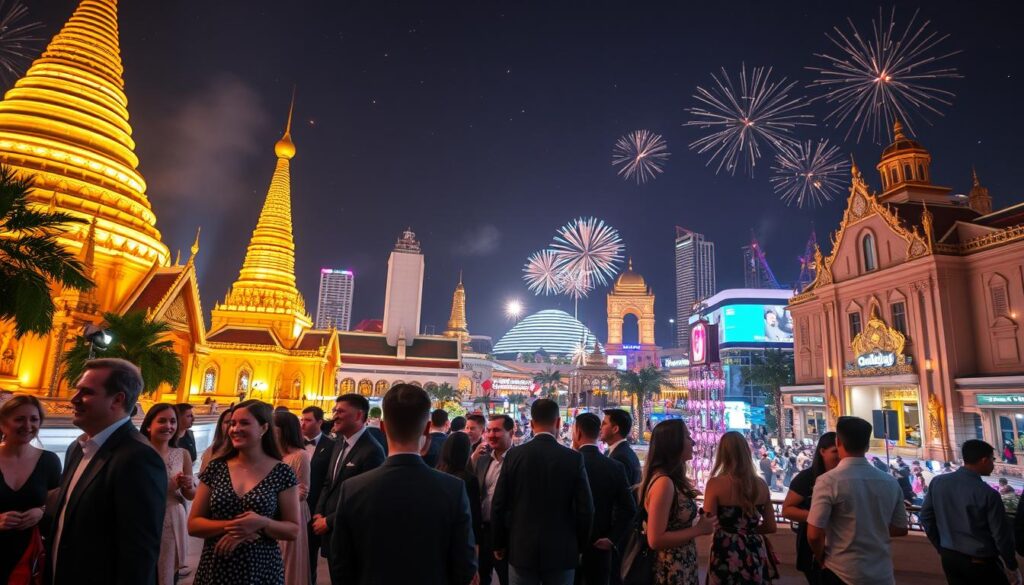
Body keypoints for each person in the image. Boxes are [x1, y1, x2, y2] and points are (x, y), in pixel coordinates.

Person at [329, 384, 477, 584]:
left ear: (382, 427)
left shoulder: (353, 488)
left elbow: (341, 566)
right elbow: (465, 567)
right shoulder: (453, 489)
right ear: (426, 429)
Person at [49, 358, 167, 585]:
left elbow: (139, 555)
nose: (74, 399)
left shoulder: (138, 458)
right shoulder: (78, 447)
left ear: (117, 399)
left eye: (86, 392)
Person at [189, 400, 301, 584]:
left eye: (244, 423)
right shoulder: (216, 468)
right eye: (232, 423)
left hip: (261, 569)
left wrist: (261, 522)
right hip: (216, 567)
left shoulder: (282, 472)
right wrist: (240, 528)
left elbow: (293, 530)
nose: (235, 429)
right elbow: (193, 525)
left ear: (264, 428)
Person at [492, 398, 594, 585]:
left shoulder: (515, 455)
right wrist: (579, 545)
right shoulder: (573, 459)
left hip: (521, 549)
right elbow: (586, 509)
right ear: (558, 422)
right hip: (561, 551)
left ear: (531, 424)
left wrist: (498, 542)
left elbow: (499, 503)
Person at [807, 416, 908, 585]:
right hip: (882, 573)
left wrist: (820, 558)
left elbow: (814, 534)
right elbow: (900, 528)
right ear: (867, 446)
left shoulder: (828, 481)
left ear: (838, 442)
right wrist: (872, 528)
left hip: (840, 571)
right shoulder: (890, 481)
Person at [921, 439, 1021, 585]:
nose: (993, 464)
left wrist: (941, 547)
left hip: (949, 558)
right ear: (984, 460)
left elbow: (926, 517)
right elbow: (1000, 535)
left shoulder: (938, 482)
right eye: (992, 460)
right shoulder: (987, 494)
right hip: (980, 563)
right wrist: (1012, 565)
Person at [312, 394, 385, 576]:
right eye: (335, 410)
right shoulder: (338, 443)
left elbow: (366, 500)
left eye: (341, 411)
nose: (335, 415)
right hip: (330, 535)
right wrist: (319, 513)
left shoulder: (372, 451)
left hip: (351, 537)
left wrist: (328, 521)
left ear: (359, 416)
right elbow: (329, 482)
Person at [640, 419, 717, 585]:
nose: (693, 442)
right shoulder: (663, 483)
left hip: (682, 562)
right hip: (670, 567)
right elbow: (655, 539)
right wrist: (699, 529)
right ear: (674, 444)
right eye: (688, 437)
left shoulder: (672, 481)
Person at [0, 395, 61, 583]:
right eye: (19, 419)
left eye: (34, 419)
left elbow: (56, 507)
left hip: (28, 556)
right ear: (3, 424)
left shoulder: (49, 461)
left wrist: (41, 512)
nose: (28, 426)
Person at [704, 431, 776, 584]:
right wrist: (747, 532)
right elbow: (771, 526)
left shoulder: (715, 484)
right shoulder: (761, 485)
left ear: (722, 454)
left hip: (725, 550)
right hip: (754, 549)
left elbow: (708, 524)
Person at [572, 412, 636, 585]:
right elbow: (629, 508)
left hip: (570, 544)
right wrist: (611, 538)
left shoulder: (568, 462)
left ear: (577, 433)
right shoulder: (613, 465)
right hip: (601, 545)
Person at [141, 403, 196, 585]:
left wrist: (188, 485)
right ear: (149, 425)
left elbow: (190, 495)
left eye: (173, 421)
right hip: (144, 518)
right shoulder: (138, 453)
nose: (169, 426)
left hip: (172, 519)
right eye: (162, 421)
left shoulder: (182, 454)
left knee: (167, 573)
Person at [782, 432, 839, 585]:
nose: (839, 456)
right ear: (822, 451)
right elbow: (787, 510)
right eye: (835, 451)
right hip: (812, 546)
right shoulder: (806, 478)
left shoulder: (843, 477)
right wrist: (817, 516)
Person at [473, 414, 514, 585]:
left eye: (496, 430)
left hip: (507, 535)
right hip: (483, 533)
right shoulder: (482, 460)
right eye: (488, 430)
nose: (490, 435)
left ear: (511, 433)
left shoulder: (518, 460)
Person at [274, 411, 311, 585]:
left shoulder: (300, 456)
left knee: (286, 560)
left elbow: (303, 491)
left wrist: (276, 499)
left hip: (291, 512)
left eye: (273, 427)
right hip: (271, 514)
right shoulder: (273, 454)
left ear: (283, 430)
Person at [300, 405, 334, 582]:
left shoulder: (331, 446)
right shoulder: (295, 443)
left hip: (314, 509)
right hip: (292, 508)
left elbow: (329, 481)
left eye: (308, 420)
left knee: (310, 556)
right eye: (302, 419)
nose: (303, 423)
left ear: (319, 422)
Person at [438, 431, 483, 551]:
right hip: (461, 538)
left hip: (440, 536)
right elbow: (474, 515)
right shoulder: (468, 479)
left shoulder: (436, 473)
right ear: (466, 451)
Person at [600, 408, 641, 487]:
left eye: (604, 424)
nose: (600, 427)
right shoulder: (611, 451)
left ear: (615, 429)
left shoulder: (621, 457)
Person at [200, 407, 234, 473]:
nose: (230, 426)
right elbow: (203, 475)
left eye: (233, 422)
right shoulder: (212, 449)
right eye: (227, 422)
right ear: (220, 425)